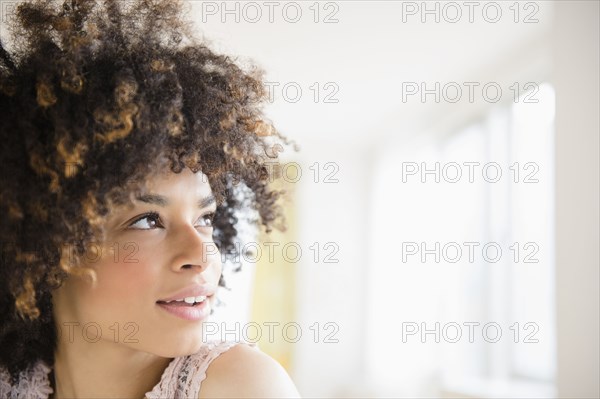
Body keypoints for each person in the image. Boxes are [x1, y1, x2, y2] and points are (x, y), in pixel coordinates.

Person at [0, 0, 300, 397]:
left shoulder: (241, 386)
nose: (201, 253)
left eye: (205, 218)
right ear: (46, 244)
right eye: (147, 220)